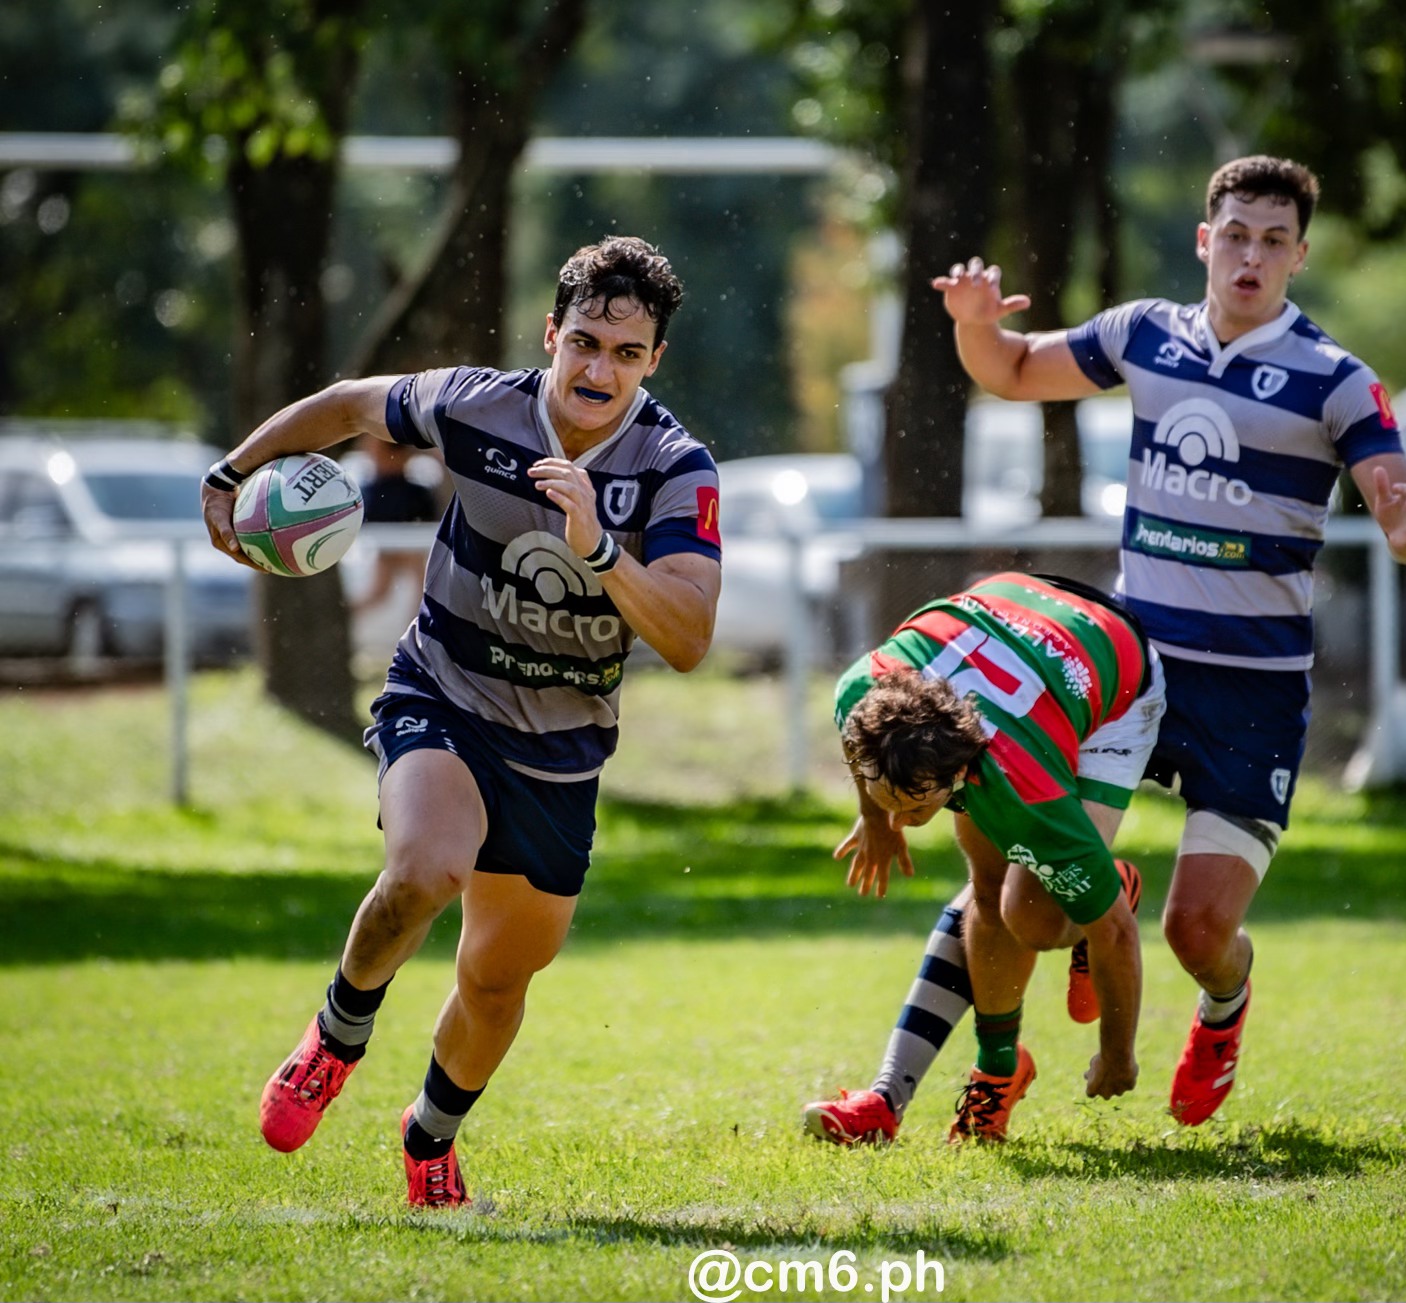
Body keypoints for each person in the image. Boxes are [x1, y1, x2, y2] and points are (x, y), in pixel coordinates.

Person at [804, 155, 1406, 1144]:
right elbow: (1011, 371)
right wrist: (974, 325)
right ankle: (892, 1093)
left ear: (1299, 256)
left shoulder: (1335, 379)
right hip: (1119, 667)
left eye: (1274, 240)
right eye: (1235, 234)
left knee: (1195, 933)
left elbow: (1393, 484)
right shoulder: (1145, 334)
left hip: (1250, 697)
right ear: (1203, 239)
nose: (1250, 256)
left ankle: (1223, 1008)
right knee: (1005, 879)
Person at [200, 235, 722, 1206]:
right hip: (443, 688)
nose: (597, 368)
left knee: (496, 980)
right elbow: (351, 401)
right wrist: (234, 472)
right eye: (583, 342)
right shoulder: (476, 403)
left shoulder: (673, 466)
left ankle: (428, 1136)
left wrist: (601, 548)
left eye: (624, 353)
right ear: (550, 335)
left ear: (654, 362)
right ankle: (336, 1034)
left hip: (562, 746)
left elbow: (690, 635)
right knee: (425, 867)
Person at [804, 570, 1166, 1144]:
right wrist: (873, 817)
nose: (899, 821)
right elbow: (857, 739)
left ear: (963, 774)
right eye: (888, 801)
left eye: (914, 807)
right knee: (991, 893)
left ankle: (1104, 884)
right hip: (1011, 605)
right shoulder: (861, 692)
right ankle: (995, 1072)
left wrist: (1117, 1058)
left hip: (1111, 664)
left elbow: (1118, 935)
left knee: (1037, 918)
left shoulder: (1019, 789)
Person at [350, 436, 442, 620]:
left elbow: (426, 524)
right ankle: (340, 618)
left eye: (395, 450)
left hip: (413, 552)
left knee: (423, 584)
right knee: (378, 590)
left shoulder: (417, 490)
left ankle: (417, 630)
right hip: (381, 552)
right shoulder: (367, 492)